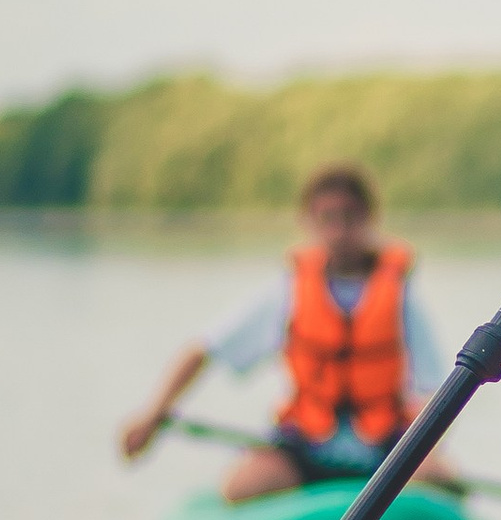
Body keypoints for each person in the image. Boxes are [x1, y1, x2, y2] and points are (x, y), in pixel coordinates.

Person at [118, 163, 458, 502]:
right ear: (308, 222)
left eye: (350, 217)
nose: (339, 231)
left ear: (370, 220)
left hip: (387, 447)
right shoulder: (290, 290)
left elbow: (435, 390)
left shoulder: (401, 294)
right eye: (328, 218)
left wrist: (426, 452)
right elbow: (204, 351)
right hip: (305, 444)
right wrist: (152, 416)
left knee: (438, 478)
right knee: (241, 488)